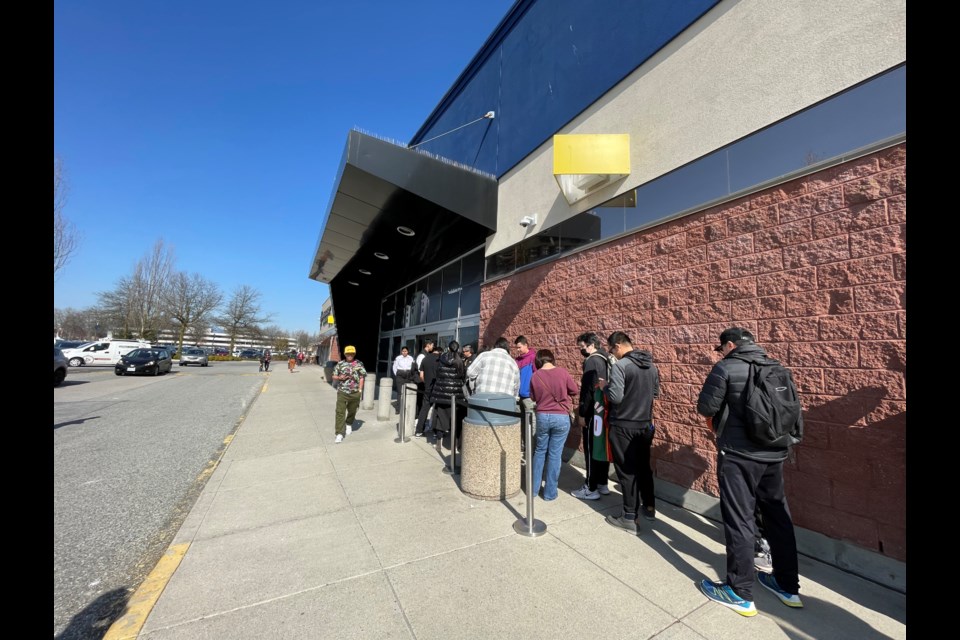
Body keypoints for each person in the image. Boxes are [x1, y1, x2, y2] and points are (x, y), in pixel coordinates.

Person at [696, 327, 803, 616]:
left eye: (722, 348)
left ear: (730, 345)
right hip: (775, 454)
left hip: (739, 455)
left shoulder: (726, 367)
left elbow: (705, 406)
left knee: (739, 519)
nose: (721, 353)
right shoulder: (778, 367)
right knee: (778, 515)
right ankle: (788, 586)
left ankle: (739, 591)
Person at [604, 331, 660, 534]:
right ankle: (650, 508)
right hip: (644, 424)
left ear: (618, 346)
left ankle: (629, 517)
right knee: (644, 468)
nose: (612, 353)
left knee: (627, 471)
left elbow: (616, 397)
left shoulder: (621, 366)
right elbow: (655, 394)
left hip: (623, 425)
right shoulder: (651, 366)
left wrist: (605, 387)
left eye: (611, 349)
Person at [528, 349, 578, 500]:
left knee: (540, 450)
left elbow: (533, 397)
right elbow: (574, 391)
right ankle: (550, 493)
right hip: (561, 417)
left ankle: (533, 490)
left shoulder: (535, 376)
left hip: (543, 415)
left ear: (538, 361)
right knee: (555, 454)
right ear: (551, 359)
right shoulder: (562, 372)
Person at [571, 332, 613, 500]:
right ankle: (602, 483)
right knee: (601, 447)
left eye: (582, 347)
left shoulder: (592, 361)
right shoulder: (606, 359)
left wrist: (582, 413)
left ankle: (590, 486)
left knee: (590, 448)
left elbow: (587, 391)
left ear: (591, 345)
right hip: (603, 410)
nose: (581, 350)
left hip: (592, 412)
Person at [428, 340, 467, 449]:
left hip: (441, 392)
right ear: (457, 348)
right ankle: (457, 444)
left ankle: (439, 442)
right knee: (456, 419)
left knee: (441, 418)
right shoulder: (460, 361)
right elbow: (463, 377)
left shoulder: (441, 358)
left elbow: (437, 373)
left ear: (448, 348)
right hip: (456, 395)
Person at [332, 346, 366, 444]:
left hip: (355, 392)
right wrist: (339, 377)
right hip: (342, 391)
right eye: (348, 353)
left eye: (351, 353)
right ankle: (339, 433)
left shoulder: (359, 364)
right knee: (340, 412)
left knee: (352, 410)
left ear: (354, 354)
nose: (349, 355)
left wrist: (360, 390)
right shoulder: (340, 364)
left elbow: (362, 377)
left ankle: (349, 423)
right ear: (345, 354)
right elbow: (333, 375)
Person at [414, 343, 440, 438]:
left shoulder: (425, 359)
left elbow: (421, 375)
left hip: (427, 388)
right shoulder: (440, 360)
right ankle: (436, 432)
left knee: (424, 409)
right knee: (437, 410)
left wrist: (426, 384)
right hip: (437, 389)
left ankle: (419, 430)